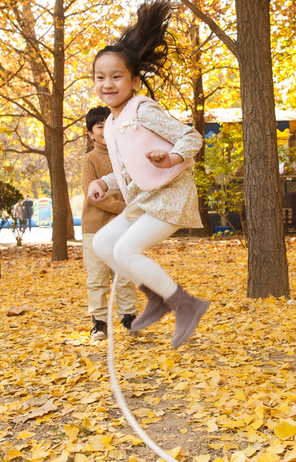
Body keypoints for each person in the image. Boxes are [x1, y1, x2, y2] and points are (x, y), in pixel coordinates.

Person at [87, 0, 209, 349]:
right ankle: (156, 296)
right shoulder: (111, 122)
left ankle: (186, 304)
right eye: (100, 77)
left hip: (171, 195)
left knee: (125, 249)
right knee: (102, 243)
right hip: (145, 200)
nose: (107, 83)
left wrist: (171, 157)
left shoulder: (143, 109)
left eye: (116, 77)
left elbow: (191, 137)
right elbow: (129, 169)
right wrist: (102, 182)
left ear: (135, 80)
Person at [82, 106, 139, 341]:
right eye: (99, 127)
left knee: (124, 274)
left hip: (124, 228)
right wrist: (124, 208)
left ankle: (129, 318)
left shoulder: (126, 157)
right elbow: (92, 194)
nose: (105, 131)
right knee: (97, 277)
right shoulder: (90, 159)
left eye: (109, 125)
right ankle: (99, 322)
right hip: (95, 229)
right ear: (90, 134)